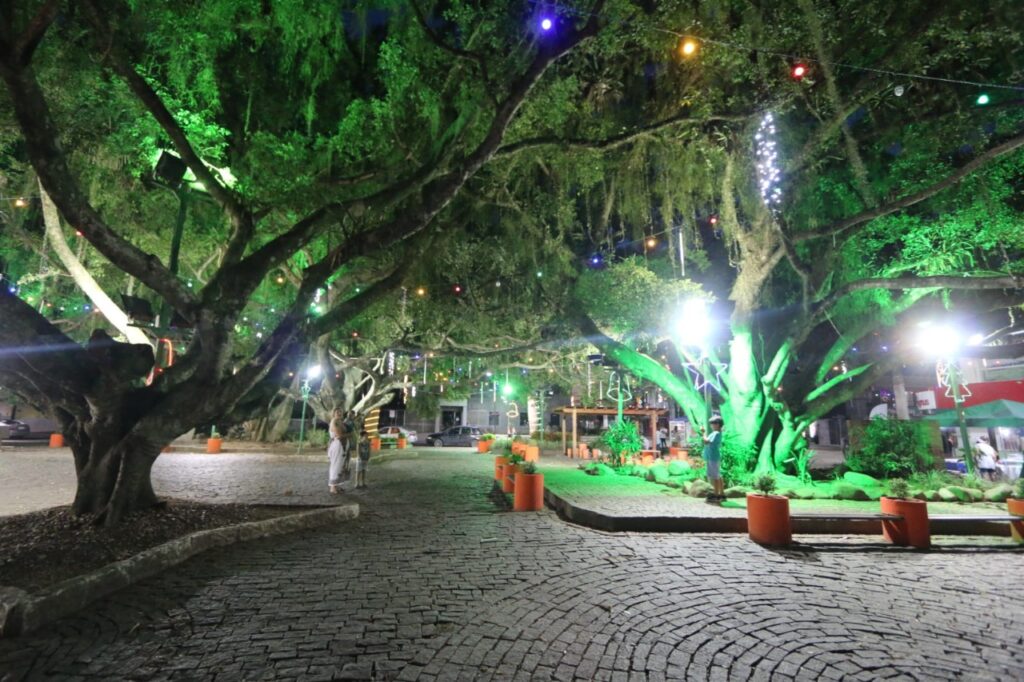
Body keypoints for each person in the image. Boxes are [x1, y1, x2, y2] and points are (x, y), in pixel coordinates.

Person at [702, 416, 725, 502]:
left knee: (715, 476)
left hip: (713, 457)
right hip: (713, 456)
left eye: (713, 423)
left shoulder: (716, 433)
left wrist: (703, 433)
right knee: (718, 475)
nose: (711, 425)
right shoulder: (716, 433)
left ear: (718, 424)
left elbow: (706, 441)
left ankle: (716, 494)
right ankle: (721, 494)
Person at [327, 409, 346, 494]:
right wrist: (349, 435)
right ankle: (332, 487)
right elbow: (339, 435)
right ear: (333, 414)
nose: (339, 413)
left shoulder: (340, 421)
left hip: (340, 445)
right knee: (335, 465)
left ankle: (336, 485)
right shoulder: (334, 421)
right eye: (337, 412)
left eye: (340, 412)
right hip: (336, 445)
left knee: (339, 465)